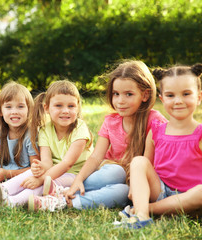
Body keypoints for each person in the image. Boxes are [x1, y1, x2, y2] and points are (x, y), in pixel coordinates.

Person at [30, 60, 167, 211]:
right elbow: (96, 157)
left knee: (120, 192)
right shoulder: (110, 121)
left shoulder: (154, 121)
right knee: (116, 172)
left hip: (141, 181)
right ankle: (67, 187)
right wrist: (79, 179)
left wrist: (136, 187)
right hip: (113, 173)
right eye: (116, 94)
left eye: (128, 94)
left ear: (145, 95)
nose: (120, 101)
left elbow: (147, 162)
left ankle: (64, 201)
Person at [0, 80, 93, 209]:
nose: (65, 111)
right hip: (53, 171)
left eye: (71, 106)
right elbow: (47, 162)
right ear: (46, 108)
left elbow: (67, 163)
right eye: (58, 106)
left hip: (74, 175)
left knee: (44, 183)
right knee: (33, 174)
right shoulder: (45, 129)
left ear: (78, 107)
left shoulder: (80, 128)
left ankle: (11, 202)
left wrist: (41, 178)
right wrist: (40, 168)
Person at [119, 64, 202, 229]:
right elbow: (146, 167)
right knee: (139, 161)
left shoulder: (199, 133)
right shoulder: (156, 131)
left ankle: (145, 209)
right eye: (170, 95)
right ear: (162, 99)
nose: (178, 101)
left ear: (199, 97)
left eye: (186, 94)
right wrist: (135, 186)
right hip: (161, 191)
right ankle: (142, 217)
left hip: (191, 197)